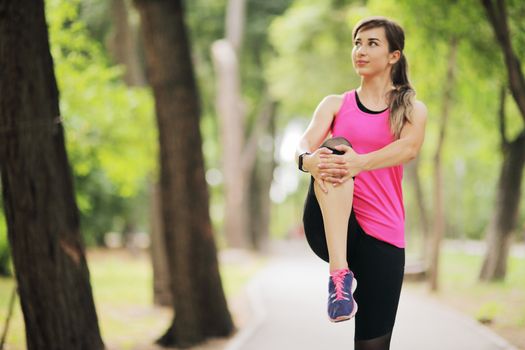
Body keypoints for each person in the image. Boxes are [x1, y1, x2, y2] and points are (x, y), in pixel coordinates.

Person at [295, 16, 427, 350]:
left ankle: (344, 282)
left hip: (384, 235)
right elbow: (304, 143)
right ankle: (339, 277)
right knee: (334, 146)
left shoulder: (410, 107)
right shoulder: (335, 104)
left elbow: (409, 148)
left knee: (373, 346)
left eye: (372, 43)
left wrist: (360, 163)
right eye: (357, 43)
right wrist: (306, 160)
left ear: (394, 55)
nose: (360, 51)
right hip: (334, 227)